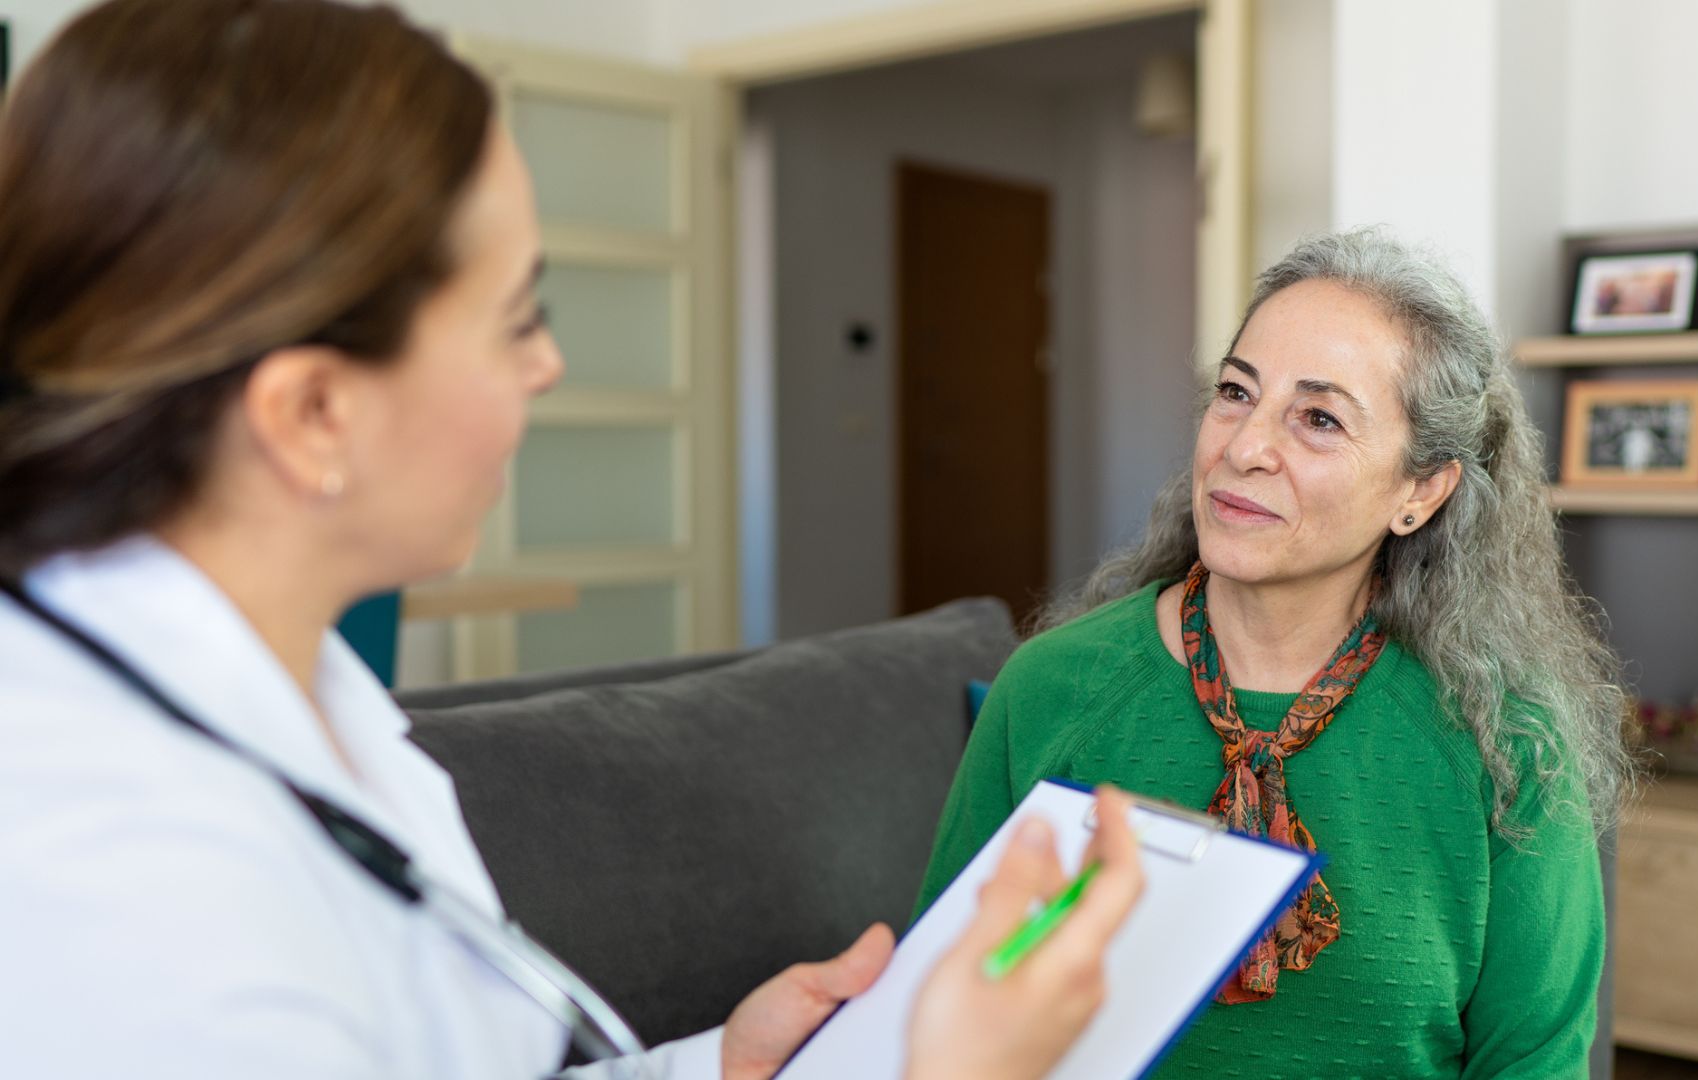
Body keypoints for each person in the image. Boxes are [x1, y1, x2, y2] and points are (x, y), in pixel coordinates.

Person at [0, 2, 1143, 1078]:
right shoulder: (115, 892)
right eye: (516, 320)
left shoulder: (302, 686)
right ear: (312, 415)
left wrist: (717, 1066)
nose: (548, 367)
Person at [919, 228, 1635, 1077]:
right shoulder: (1046, 689)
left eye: (1318, 418)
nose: (1243, 447)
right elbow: (941, 1008)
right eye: (1235, 392)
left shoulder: (1511, 740)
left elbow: (1535, 1061)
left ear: (1421, 490)